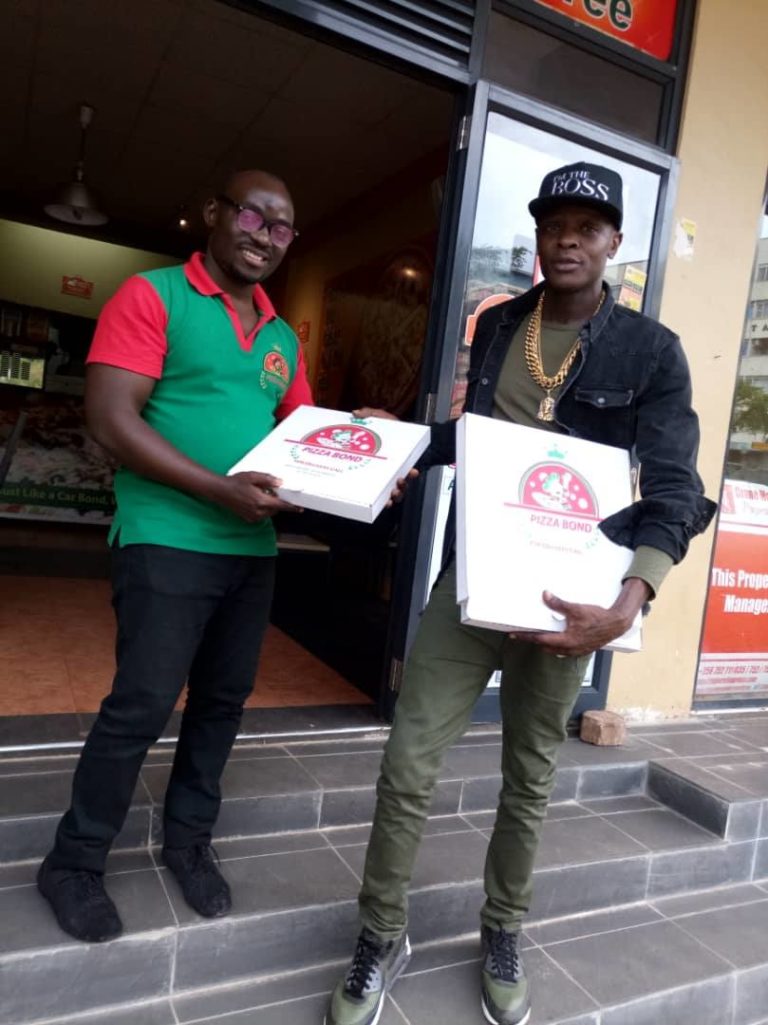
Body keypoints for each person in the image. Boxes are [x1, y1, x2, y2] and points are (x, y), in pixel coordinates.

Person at [325, 161, 717, 1025]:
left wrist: (628, 605)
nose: (567, 240)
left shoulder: (652, 352)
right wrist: (406, 443)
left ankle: (502, 926)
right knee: (407, 760)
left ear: (615, 243)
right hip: (473, 580)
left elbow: (676, 491)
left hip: (572, 600)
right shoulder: (503, 323)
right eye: (553, 226)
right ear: (539, 238)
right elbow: (486, 439)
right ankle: (379, 933)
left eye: (587, 227)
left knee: (529, 774)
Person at [38, 170, 313, 943]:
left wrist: (365, 452)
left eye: (282, 228)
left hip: (250, 548)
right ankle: (74, 860)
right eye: (253, 216)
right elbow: (110, 419)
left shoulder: (281, 337)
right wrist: (220, 488)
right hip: (166, 537)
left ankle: (188, 840)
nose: (265, 236)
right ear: (215, 213)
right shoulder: (153, 295)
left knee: (221, 703)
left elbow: (303, 437)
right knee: (143, 704)